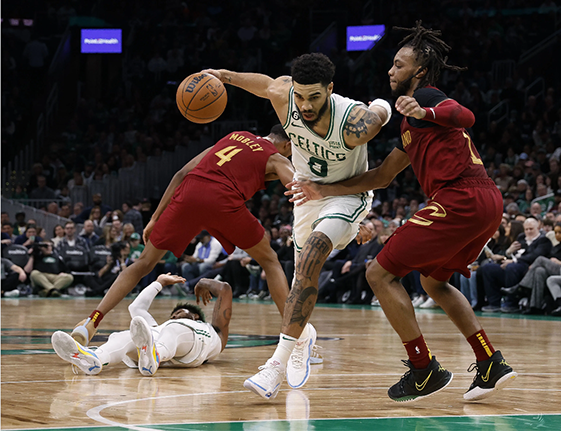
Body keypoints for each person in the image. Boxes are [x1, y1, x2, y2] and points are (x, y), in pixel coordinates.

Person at [289, 22, 516, 402]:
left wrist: (425, 108)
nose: (390, 71)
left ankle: (423, 367)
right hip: (486, 201)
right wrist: (323, 189)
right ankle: (490, 362)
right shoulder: (412, 126)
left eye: (398, 65)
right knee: (433, 283)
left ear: (419, 71)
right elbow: (381, 176)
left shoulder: (428, 98)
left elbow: (466, 116)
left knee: (378, 272)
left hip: (460, 197)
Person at [204, 51, 390, 399]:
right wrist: (224, 74)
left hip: (347, 195)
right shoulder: (286, 97)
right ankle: (304, 338)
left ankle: (276, 364)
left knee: (312, 256)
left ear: (330, 89)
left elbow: (380, 115)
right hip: (307, 196)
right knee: (299, 278)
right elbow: (266, 85)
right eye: (300, 96)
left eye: (315, 97)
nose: (304, 105)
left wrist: (380, 104)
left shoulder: (353, 122)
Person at [69, 126, 297, 352]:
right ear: (287, 144)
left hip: (190, 193)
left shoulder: (233, 136)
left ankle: (92, 322)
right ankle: (295, 340)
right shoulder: (277, 158)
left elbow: (181, 173)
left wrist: (154, 218)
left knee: (143, 263)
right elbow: (298, 189)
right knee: (270, 262)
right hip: (223, 200)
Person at [52, 275, 231, 376]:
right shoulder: (158, 328)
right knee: (123, 336)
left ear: (196, 316)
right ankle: (95, 358)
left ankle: (153, 355)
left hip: (191, 350)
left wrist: (202, 282)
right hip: (160, 352)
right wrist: (159, 282)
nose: (175, 315)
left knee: (173, 329)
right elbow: (136, 307)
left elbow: (225, 289)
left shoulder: (215, 332)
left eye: (180, 312)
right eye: (174, 314)